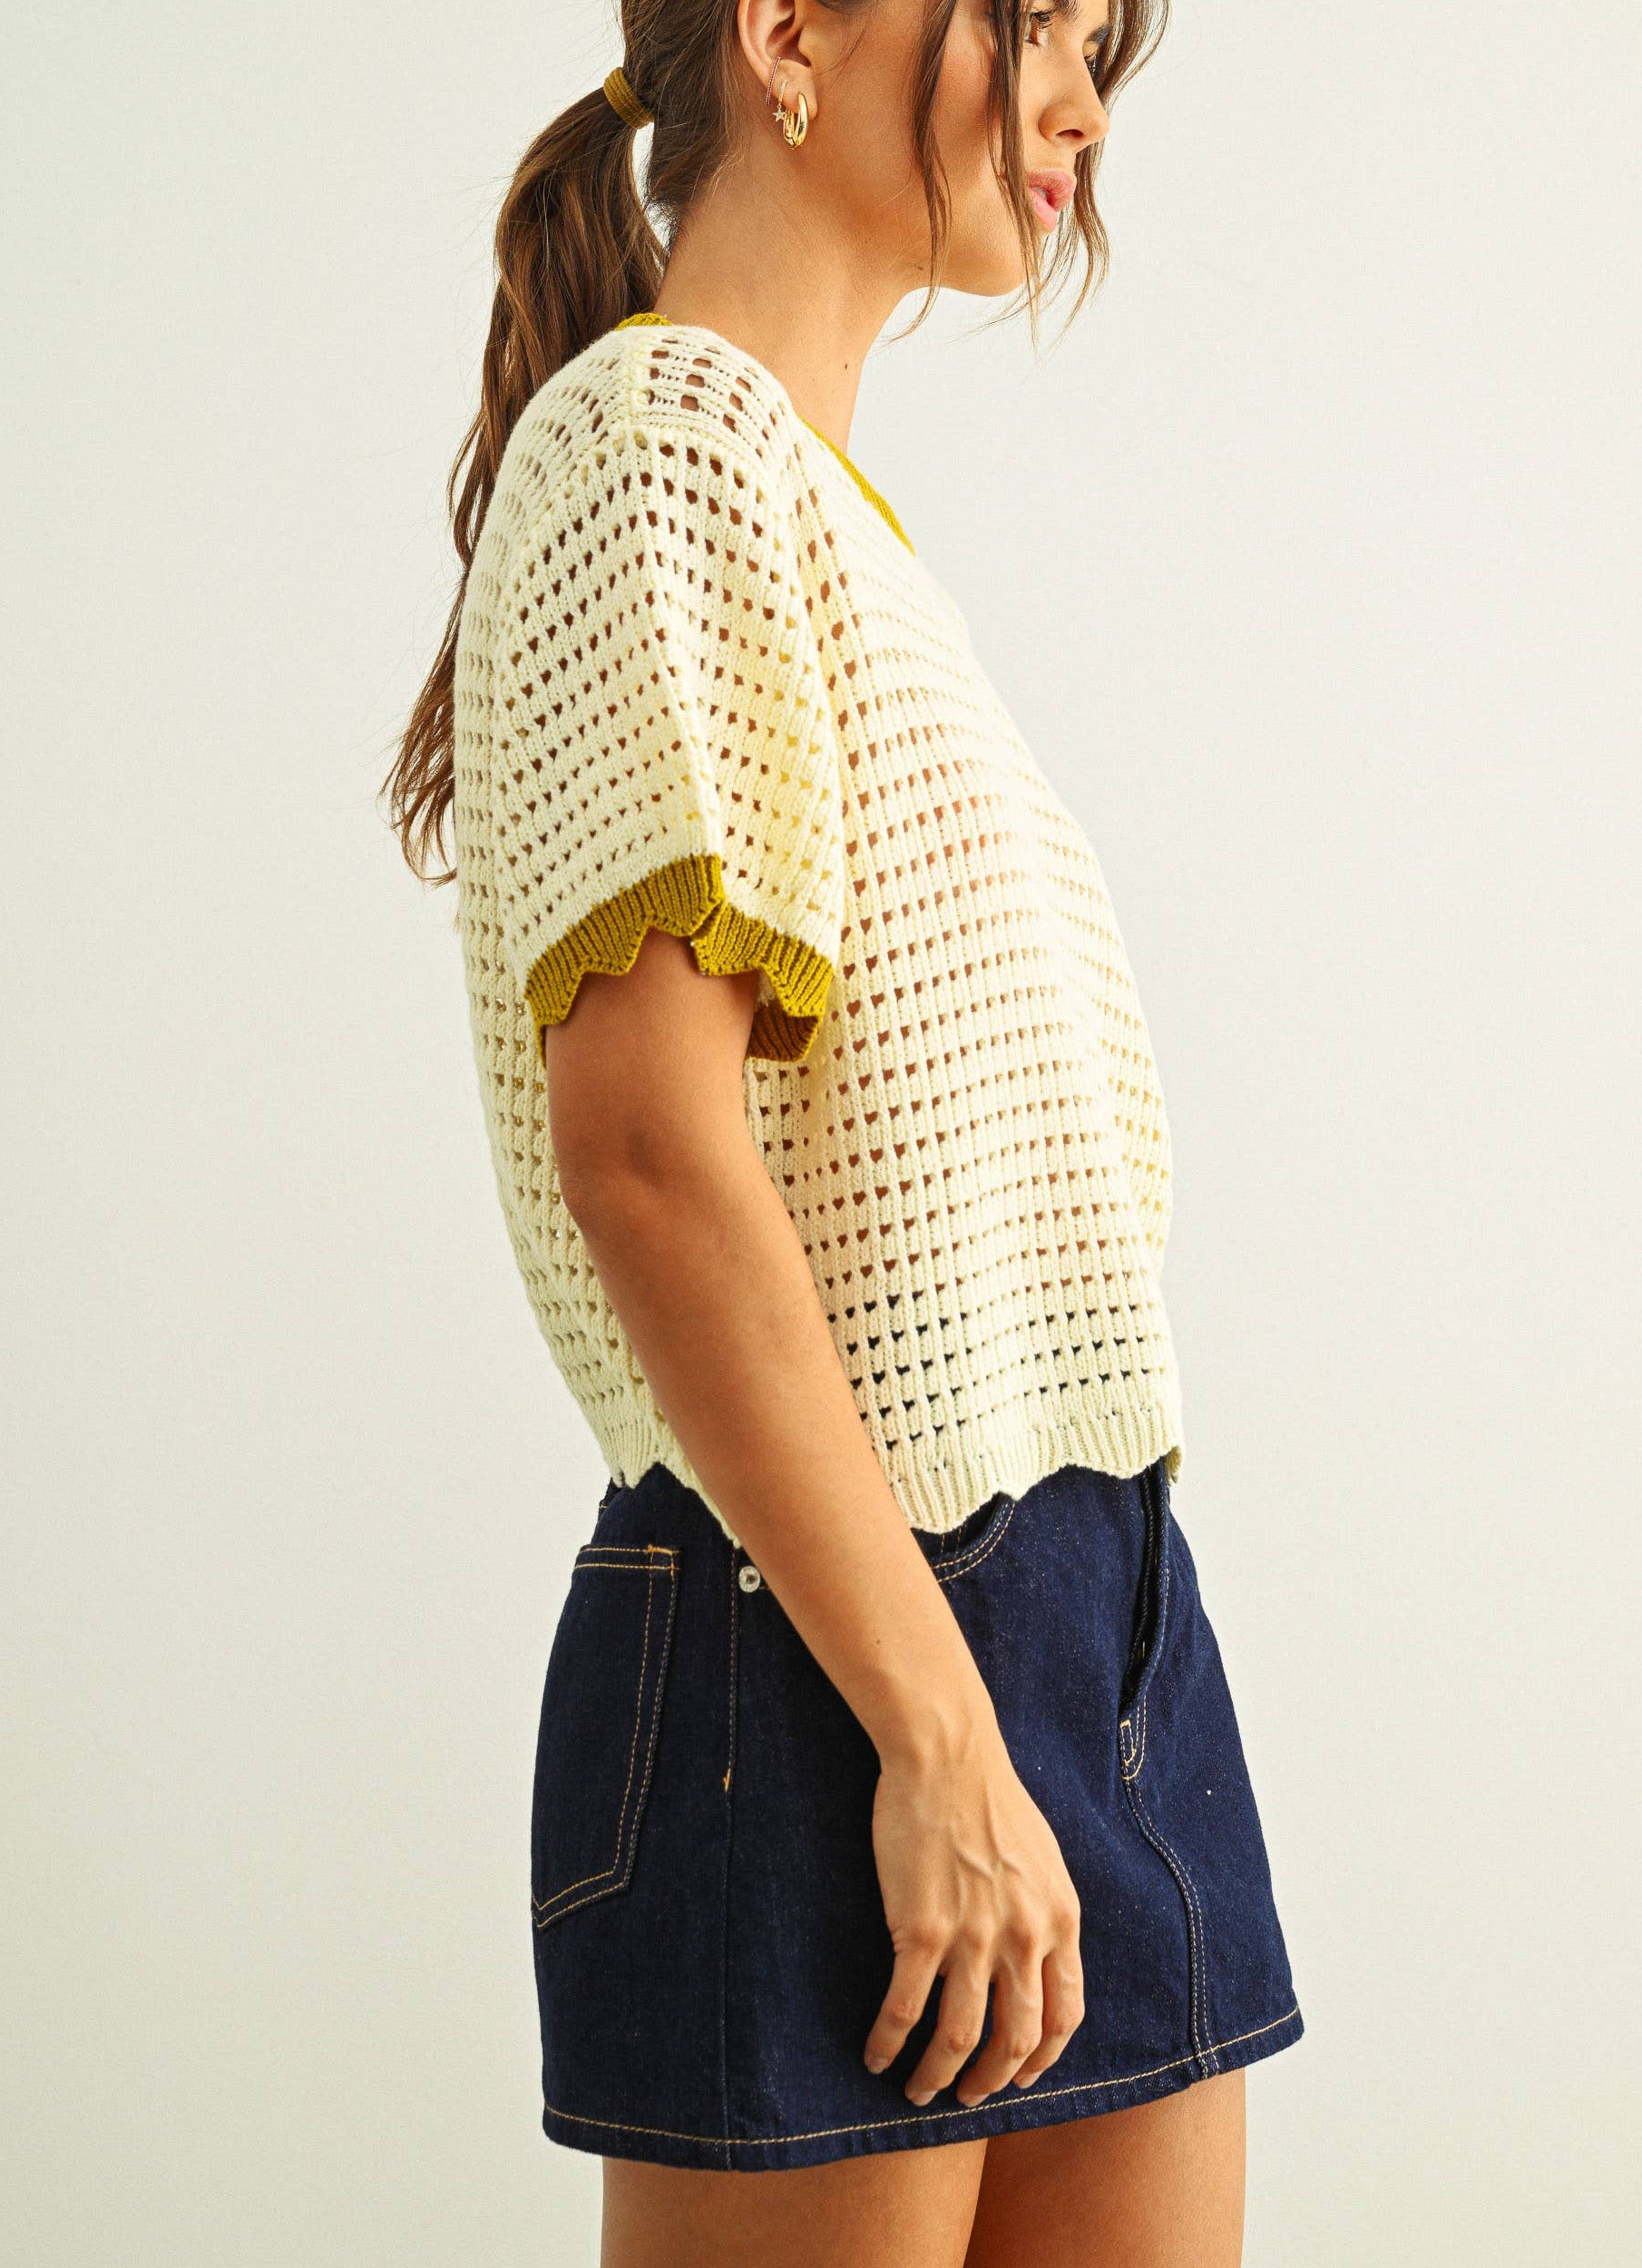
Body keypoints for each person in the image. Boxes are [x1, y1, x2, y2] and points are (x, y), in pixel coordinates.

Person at [384, 2, 1302, 2260]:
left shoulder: (824, 520)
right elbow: (652, 1159)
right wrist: (932, 1726)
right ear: (788, 30)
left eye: (1112, 44)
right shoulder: (659, 443)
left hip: (1090, 1621)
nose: (1084, 97)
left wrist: (1018, 1712)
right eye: (1040, 24)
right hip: (844, 1645)